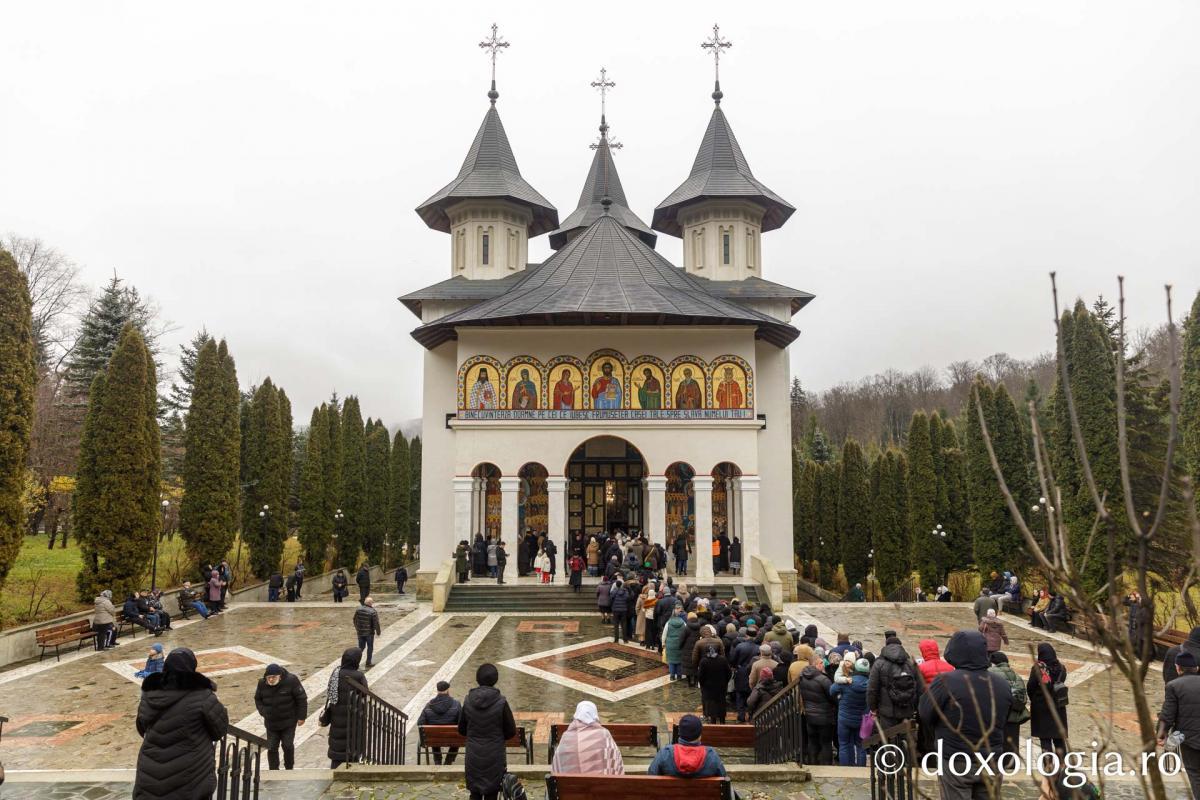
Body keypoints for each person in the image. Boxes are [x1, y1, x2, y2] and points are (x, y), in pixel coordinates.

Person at [918, 630, 1012, 799]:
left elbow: (925, 712)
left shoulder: (945, 681)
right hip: (991, 758)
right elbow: (1005, 718)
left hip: (956, 758)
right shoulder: (1002, 684)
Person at [133, 647, 228, 800]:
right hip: (191, 776)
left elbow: (141, 727)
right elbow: (220, 729)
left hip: (151, 776)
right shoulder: (203, 695)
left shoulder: (149, 694)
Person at [458, 663, 517, 800]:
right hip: (494, 754)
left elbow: (461, 729)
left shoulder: (468, 701)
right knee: (492, 793)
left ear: (477, 679)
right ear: (495, 679)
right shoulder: (501, 702)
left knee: (475, 793)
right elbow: (511, 731)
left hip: (473, 754)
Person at [1158, 650, 1200, 796]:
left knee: (1195, 773)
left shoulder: (1173, 686)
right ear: (1196, 668)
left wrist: (1161, 734)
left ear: (1178, 668)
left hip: (1188, 740)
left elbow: (1168, 714)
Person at [254, 663, 307, 770]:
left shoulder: (292, 680)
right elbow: (257, 699)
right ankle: (273, 770)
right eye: (269, 677)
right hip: (271, 723)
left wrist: (302, 717)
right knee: (272, 747)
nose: (271, 680)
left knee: (287, 746)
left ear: (280, 676)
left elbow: (301, 699)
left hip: (288, 721)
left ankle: (289, 768)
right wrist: (263, 712)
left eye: (274, 677)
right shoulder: (262, 683)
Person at [551, 700, 624, 775]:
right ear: (594, 714)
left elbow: (558, 763)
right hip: (600, 782)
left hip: (570, 782)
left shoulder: (566, 736)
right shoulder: (604, 734)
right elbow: (615, 757)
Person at [867, 634, 921, 735]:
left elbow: (872, 689)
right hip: (907, 710)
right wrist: (915, 707)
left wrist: (873, 708)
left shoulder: (879, 664)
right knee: (907, 737)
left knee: (889, 738)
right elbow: (918, 687)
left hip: (887, 712)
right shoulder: (910, 664)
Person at [323, 647, 367, 768]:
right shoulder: (358, 676)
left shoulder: (336, 673)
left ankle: (335, 769)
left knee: (337, 749)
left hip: (336, 716)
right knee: (351, 748)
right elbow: (364, 693)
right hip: (353, 719)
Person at [648, 714, 727, 778]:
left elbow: (651, 777)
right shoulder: (711, 755)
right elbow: (723, 779)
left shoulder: (665, 753)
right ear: (699, 735)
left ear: (679, 733)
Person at [1028, 643, 1069, 755]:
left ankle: (1048, 763)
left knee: (1045, 738)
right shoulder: (1061, 668)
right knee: (1059, 738)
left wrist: (1035, 699)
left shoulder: (1038, 668)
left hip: (1042, 707)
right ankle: (1062, 762)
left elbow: (1031, 686)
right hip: (1058, 706)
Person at [830, 658, 871, 766]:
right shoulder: (870, 684)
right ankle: (861, 770)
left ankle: (845, 770)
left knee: (844, 744)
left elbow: (832, 690)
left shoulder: (847, 681)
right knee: (861, 746)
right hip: (861, 720)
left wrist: (839, 698)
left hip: (844, 718)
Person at [797, 655, 836, 765]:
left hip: (810, 715)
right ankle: (826, 766)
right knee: (826, 743)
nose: (823, 665)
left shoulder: (802, 677)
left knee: (812, 742)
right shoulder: (823, 679)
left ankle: (812, 764)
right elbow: (832, 696)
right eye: (821, 663)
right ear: (815, 664)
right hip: (824, 716)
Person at [988, 652, 1029, 754]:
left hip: (995, 715)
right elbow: (1023, 697)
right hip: (1014, 716)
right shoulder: (1016, 675)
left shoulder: (989, 673)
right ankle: (1011, 761)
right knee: (1012, 745)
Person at [417, 680, 462, 765]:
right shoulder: (456, 704)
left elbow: (420, 722)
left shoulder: (429, 705)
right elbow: (461, 722)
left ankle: (437, 760)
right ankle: (448, 761)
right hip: (452, 738)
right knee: (458, 736)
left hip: (434, 739)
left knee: (433, 735)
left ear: (437, 690)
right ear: (448, 690)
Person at [698, 644, 732, 723]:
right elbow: (729, 673)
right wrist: (725, 682)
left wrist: (703, 685)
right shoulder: (723, 660)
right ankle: (722, 721)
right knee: (721, 703)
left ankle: (713, 722)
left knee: (711, 705)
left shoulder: (704, 661)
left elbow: (700, 676)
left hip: (708, 688)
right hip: (721, 687)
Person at [353, 596, 381, 668]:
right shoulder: (373, 611)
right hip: (369, 633)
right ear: (371, 603)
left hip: (360, 632)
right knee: (370, 647)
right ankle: (368, 662)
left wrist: (357, 628)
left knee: (361, 648)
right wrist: (378, 632)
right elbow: (376, 623)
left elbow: (354, 620)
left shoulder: (358, 609)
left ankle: (355, 662)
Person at [663, 607, 687, 680]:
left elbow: (664, 634)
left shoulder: (668, 623)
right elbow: (686, 633)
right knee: (679, 661)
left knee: (671, 661)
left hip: (670, 644)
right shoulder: (683, 623)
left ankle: (672, 676)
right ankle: (679, 675)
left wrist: (663, 643)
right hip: (680, 643)